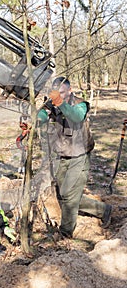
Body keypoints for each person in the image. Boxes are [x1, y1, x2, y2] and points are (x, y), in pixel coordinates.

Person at [42, 76, 112, 239]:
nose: (59, 95)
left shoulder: (80, 104)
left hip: (80, 156)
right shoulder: (53, 103)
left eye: (62, 93)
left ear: (70, 90)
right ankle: (103, 210)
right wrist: (35, 120)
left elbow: (75, 117)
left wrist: (59, 102)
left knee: (70, 195)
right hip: (62, 155)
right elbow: (42, 115)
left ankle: (65, 233)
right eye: (56, 93)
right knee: (64, 194)